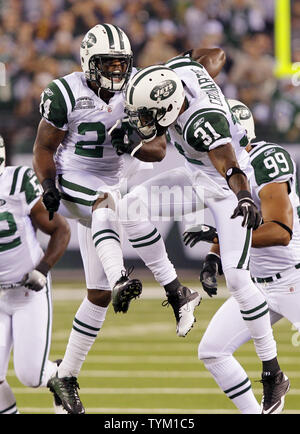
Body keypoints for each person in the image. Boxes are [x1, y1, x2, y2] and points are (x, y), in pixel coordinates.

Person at [32, 23, 225, 414]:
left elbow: (156, 149)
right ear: (89, 62)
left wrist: (135, 141)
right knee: (116, 204)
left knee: (98, 296)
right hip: (74, 180)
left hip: (115, 183)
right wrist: (48, 183)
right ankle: (167, 289)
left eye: (121, 64)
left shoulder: (138, 85)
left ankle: (64, 378)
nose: (117, 72)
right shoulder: (64, 93)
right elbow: (43, 146)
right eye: (108, 64)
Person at [120, 59, 288, 414]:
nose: (143, 123)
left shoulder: (200, 123)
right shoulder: (180, 72)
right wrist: (198, 59)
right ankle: (176, 290)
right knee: (131, 207)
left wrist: (243, 196)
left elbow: (229, 164)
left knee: (240, 279)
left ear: (167, 106)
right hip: (197, 178)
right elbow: (209, 55)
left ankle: (272, 372)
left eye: (148, 115)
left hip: (225, 189)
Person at [183, 99, 294, 414]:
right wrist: (213, 257)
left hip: (294, 277)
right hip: (258, 284)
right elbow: (233, 222)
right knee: (212, 351)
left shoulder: (265, 161)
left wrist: (220, 238)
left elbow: (280, 232)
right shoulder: (223, 174)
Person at [0, 135, 70, 414]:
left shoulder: (16, 184)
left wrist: (41, 270)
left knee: (31, 376)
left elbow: (61, 230)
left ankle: (60, 374)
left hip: (28, 291)